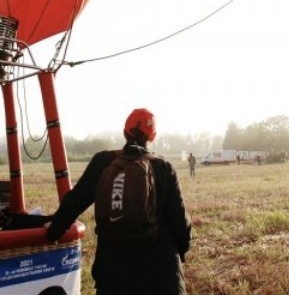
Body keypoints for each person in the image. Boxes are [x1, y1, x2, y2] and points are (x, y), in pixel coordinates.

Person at [45, 108, 191, 295]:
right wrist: (180, 253)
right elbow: (181, 223)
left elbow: (74, 202)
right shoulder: (163, 167)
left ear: (124, 132)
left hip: (113, 272)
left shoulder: (103, 161)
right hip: (161, 273)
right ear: (152, 137)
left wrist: (53, 230)